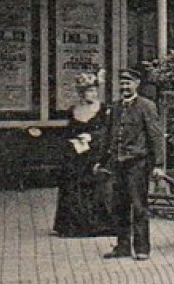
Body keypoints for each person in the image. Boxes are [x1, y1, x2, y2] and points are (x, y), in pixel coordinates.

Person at [97, 67, 166, 260]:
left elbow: (155, 136)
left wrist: (159, 164)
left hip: (138, 164)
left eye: (129, 83)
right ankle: (122, 247)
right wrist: (101, 161)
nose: (125, 86)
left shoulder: (146, 106)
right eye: (122, 83)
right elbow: (108, 136)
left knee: (138, 206)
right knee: (119, 206)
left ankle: (142, 248)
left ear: (137, 84)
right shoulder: (115, 107)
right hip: (117, 164)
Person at [53, 71, 113, 237]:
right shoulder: (74, 110)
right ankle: (74, 225)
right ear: (81, 93)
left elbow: (107, 131)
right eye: (88, 91)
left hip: (96, 153)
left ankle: (99, 225)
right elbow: (69, 131)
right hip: (77, 154)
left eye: (94, 91)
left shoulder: (103, 109)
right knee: (73, 185)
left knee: (96, 186)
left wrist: (92, 137)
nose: (92, 94)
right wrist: (73, 140)